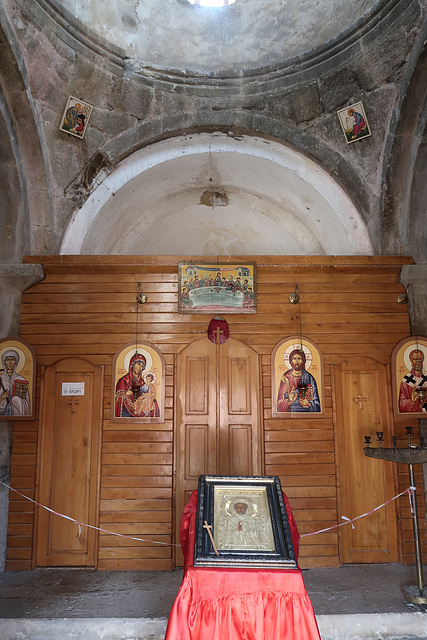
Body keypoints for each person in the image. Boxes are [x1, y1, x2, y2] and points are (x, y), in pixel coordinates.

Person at [277, 348, 320, 412]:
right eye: (294, 359)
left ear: (303, 361)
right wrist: (289, 401)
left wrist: (309, 403)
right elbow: (278, 406)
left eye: (299, 358)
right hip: (290, 414)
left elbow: (317, 404)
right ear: (291, 361)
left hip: (307, 414)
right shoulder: (286, 378)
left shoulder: (309, 378)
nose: (296, 362)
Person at [115, 352, 156, 417]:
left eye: (142, 366)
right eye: (138, 364)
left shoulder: (143, 382)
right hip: (127, 410)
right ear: (132, 365)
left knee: (154, 403)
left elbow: (146, 392)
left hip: (140, 406)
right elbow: (119, 398)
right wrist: (127, 394)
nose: (140, 367)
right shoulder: (123, 381)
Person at [0, 350, 31, 416]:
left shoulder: (21, 379)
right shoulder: (1, 379)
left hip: (17, 411)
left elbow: (27, 401)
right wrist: (2, 398)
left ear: (16, 362)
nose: (10, 363)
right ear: (4, 362)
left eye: (12, 360)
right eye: (8, 360)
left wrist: (18, 400)